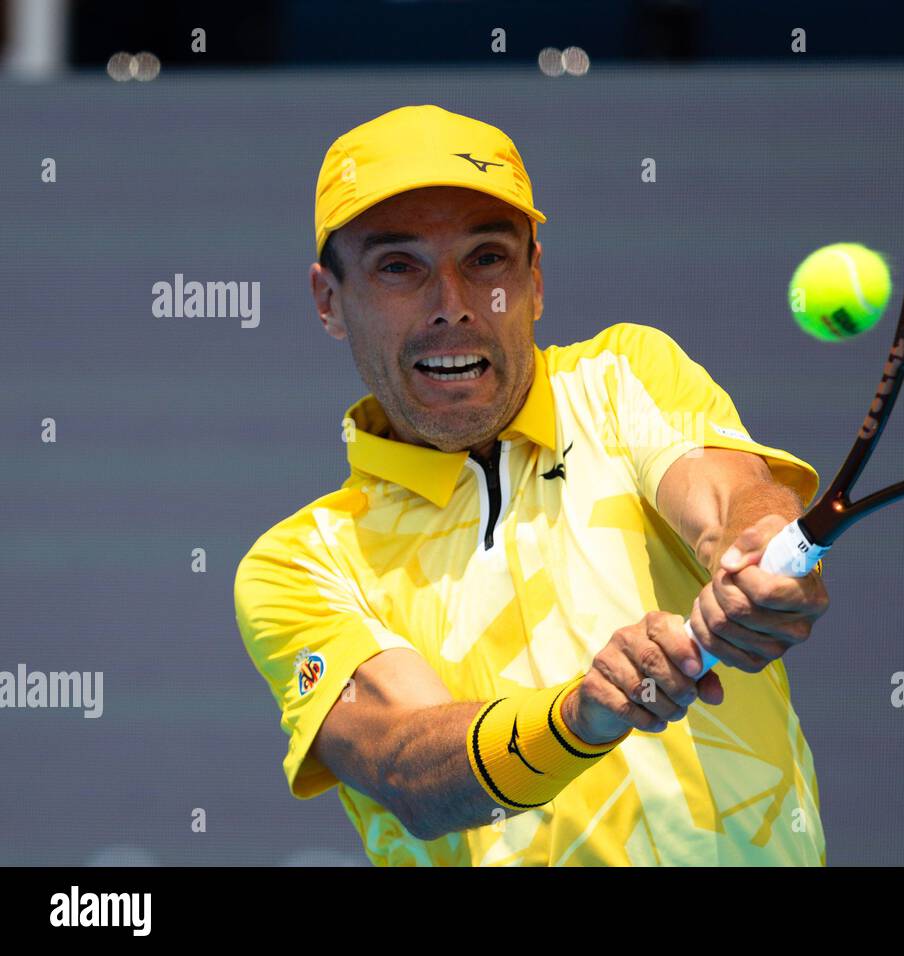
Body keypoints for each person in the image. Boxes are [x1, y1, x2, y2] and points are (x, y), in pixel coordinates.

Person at [234, 104, 830, 866]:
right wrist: (580, 716)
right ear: (328, 301)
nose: (451, 304)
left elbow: (729, 498)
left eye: (486, 259)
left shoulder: (623, 380)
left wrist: (759, 551)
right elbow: (406, 765)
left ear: (534, 280)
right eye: (399, 266)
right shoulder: (301, 563)